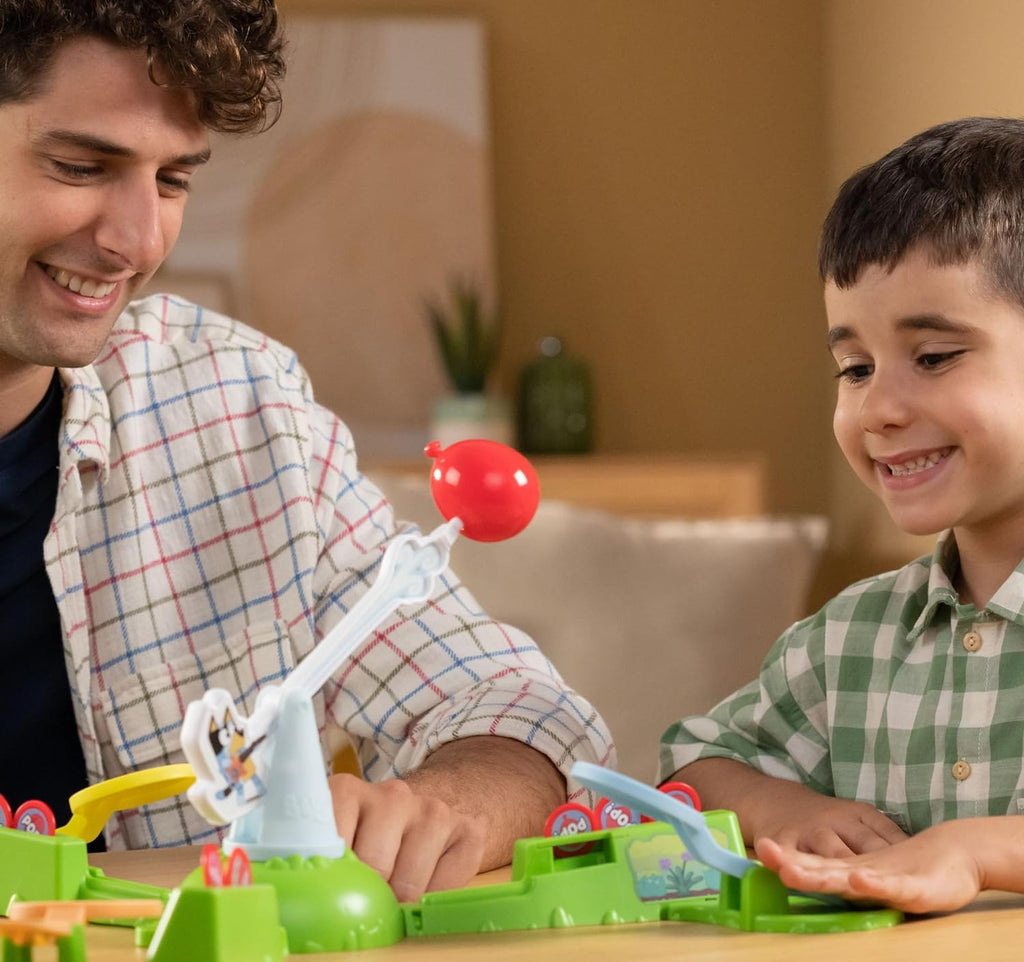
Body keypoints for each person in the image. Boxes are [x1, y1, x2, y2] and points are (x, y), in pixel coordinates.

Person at [0, 0, 612, 902]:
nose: (137, 241)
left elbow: (516, 711)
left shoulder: (242, 404)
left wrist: (446, 805)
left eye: (173, 180)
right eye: (81, 166)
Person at [661, 116, 1024, 914]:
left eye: (933, 358)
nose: (879, 408)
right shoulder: (845, 642)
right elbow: (694, 765)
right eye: (853, 368)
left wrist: (978, 849)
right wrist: (782, 810)